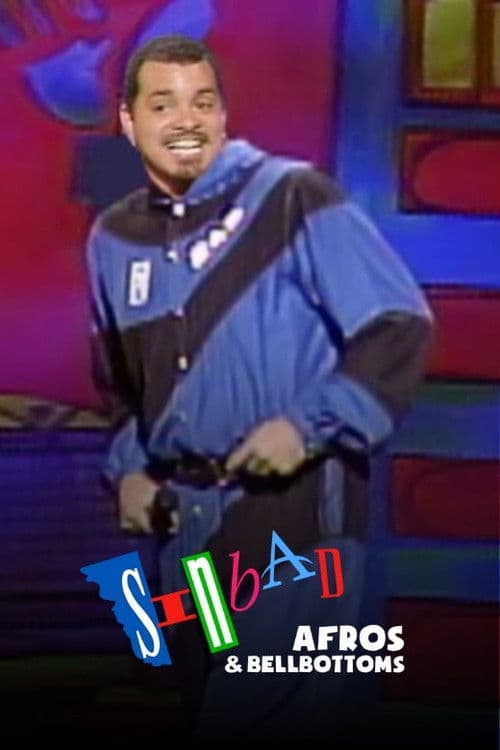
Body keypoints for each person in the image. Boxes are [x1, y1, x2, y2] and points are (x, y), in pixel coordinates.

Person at [85, 33, 433, 744]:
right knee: (210, 710)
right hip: (187, 538)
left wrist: (305, 427)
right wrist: (129, 472)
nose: (186, 120)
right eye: (163, 104)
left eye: (202, 102)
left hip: (297, 527)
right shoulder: (113, 240)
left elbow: (398, 326)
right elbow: (121, 387)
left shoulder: (293, 197)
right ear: (128, 121)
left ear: (222, 113)